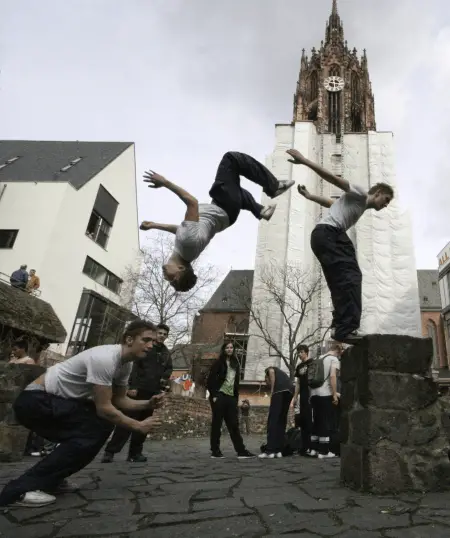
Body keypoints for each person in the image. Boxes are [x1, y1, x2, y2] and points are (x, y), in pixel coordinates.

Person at [0, 320, 164, 508]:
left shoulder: (125, 365)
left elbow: (119, 401)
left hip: (55, 403)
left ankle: (53, 480)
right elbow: (104, 408)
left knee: (96, 429)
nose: (151, 345)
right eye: (146, 340)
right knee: (93, 428)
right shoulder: (105, 358)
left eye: (153, 341)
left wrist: (147, 403)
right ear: (129, 339)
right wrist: (138, 426)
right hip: (35, 402)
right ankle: (18, 492)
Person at [140, 151, 295, 292]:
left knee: (237, 191)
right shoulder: (187, 243)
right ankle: (274, 187)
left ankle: (260, 211)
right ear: (180, 268)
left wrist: (154, 225)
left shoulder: (185, 251)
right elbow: (192, 202)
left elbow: (179, 229)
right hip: (224, 205)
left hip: (226, 213)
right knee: (232, 159)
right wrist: (165, 183)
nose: (167, 278)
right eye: (173, 279)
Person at [288, 148, 394, 343]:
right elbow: (335, 180)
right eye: (386, 200)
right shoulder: (361, 194)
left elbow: (331, 203)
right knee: (353, 276)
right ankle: (346, 328)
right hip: (330, 234)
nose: (385, 205)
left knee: (339, 282)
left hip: (320, 237)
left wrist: (310, 197)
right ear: (378, 193)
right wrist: (304, 161)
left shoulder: (357, 205)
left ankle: (339, 326)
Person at [102, 323, 173, 463]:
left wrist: (164, 380)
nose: (162, 336)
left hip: (153, 392)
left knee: (145, 424)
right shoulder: (146, 349)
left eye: (165, 334)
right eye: (160, 333)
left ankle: (135, 454)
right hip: (138, 390)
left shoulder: (166, 353)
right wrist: (132, 385)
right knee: (126, 423)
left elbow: (169, 369)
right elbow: (135, 366)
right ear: (155, 334)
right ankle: (110, 451)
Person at [206, 341, 255, 459]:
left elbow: (236, 382)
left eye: (231, 347)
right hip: (220, 396)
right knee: (217, 424)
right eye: (227, 347)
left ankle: (241, 451)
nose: (229, 349)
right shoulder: (218, 363)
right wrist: (214, 395)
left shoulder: (235, 363)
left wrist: (236, 397)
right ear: (224, 349)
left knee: (234, 424)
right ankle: (215, 451)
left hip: (231, 397)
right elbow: (210, 380)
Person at [310, 342, 343, 459]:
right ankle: (323, 452)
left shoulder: (317, 358)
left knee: (317, 421)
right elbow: (333, 376)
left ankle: (313, 449)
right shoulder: (334, 359)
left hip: (313, 394)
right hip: (325, 394)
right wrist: (334, 394)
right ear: (338, 351)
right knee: (325, 421)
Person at [259, 366, 294, 459]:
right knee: (281, 420)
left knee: (273, 420)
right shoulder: (282, 374)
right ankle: (278, 450)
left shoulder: (270, 370)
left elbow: (271, 372)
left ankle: (270, 451)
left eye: (267, 382)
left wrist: (272, 391)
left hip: (279, 391)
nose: (268, 383)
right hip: (290, 391)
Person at [292, 344, 315, 457]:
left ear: (306, 352)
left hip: (312, 394)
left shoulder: (312, 363)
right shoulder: (299, 366)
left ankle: (311, 447)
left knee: (310, 420)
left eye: (301, 352)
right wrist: (295, 397)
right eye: (298, 352)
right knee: (303, 421)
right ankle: (304, 447)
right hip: (303, 396)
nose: (299, 354)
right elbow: (298, 383)